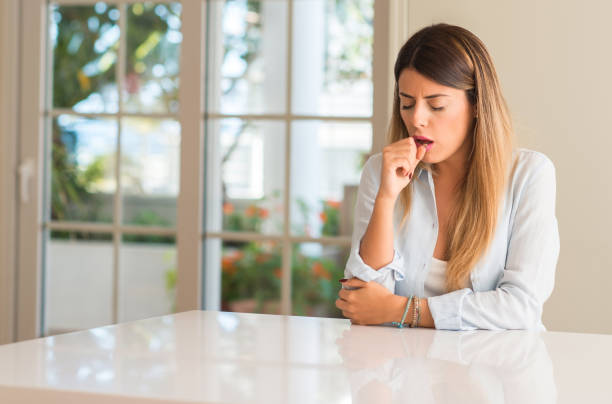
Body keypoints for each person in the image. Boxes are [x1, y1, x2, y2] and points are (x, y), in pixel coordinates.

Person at [335, 23, 560, 331]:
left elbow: (520, 307)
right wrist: (386, 199)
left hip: (501, 374)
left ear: (477, 104)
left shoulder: (530, 176)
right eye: (407, 103)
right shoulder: (382, 171)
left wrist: (403, 310)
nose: (417, 120)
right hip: (403, 372)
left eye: (436, 105)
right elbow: (362, 302)